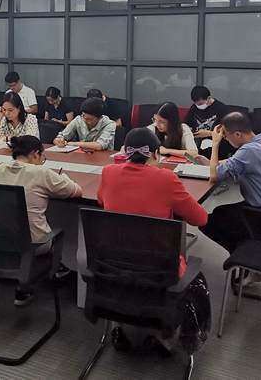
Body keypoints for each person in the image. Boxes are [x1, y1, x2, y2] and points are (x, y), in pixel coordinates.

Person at [94, 128, 208, 353]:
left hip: (112, 266)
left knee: (125, 248)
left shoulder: (108, 172)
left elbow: (100, 200)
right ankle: (160, 334)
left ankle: (116, 325)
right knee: (188, 272)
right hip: (158, 270)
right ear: (155, 153)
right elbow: (200, 219)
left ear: (125, 151)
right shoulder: (166, 178)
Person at [194, 112, 261, 275]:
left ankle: (248, 261)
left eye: (226, 137)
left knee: (207, 222)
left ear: (237, 134)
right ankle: (248, 257)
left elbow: (214, 176)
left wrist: (215, 145)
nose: (226, 140)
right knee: (219, 213)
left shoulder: (248, 151)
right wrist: (211, 163)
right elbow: (235, 162)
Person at [0, 135, 82, 306]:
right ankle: (52, 269)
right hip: (33, 244)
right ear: (35, 154)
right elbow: (77, 191)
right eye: (42, 157)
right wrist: (65, 179)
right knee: (46, 224)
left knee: (27, 216)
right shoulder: (41, 172)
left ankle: (27, 276)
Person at [184, 86, 230, 157]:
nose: (198, 106)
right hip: (197, 142)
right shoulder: (194, 108)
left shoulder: (221, 108)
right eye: (196, 104)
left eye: (200, 104)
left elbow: (227, 133)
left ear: (208, 98)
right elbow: (186, 124)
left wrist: (209, 133)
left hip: (217, 144)